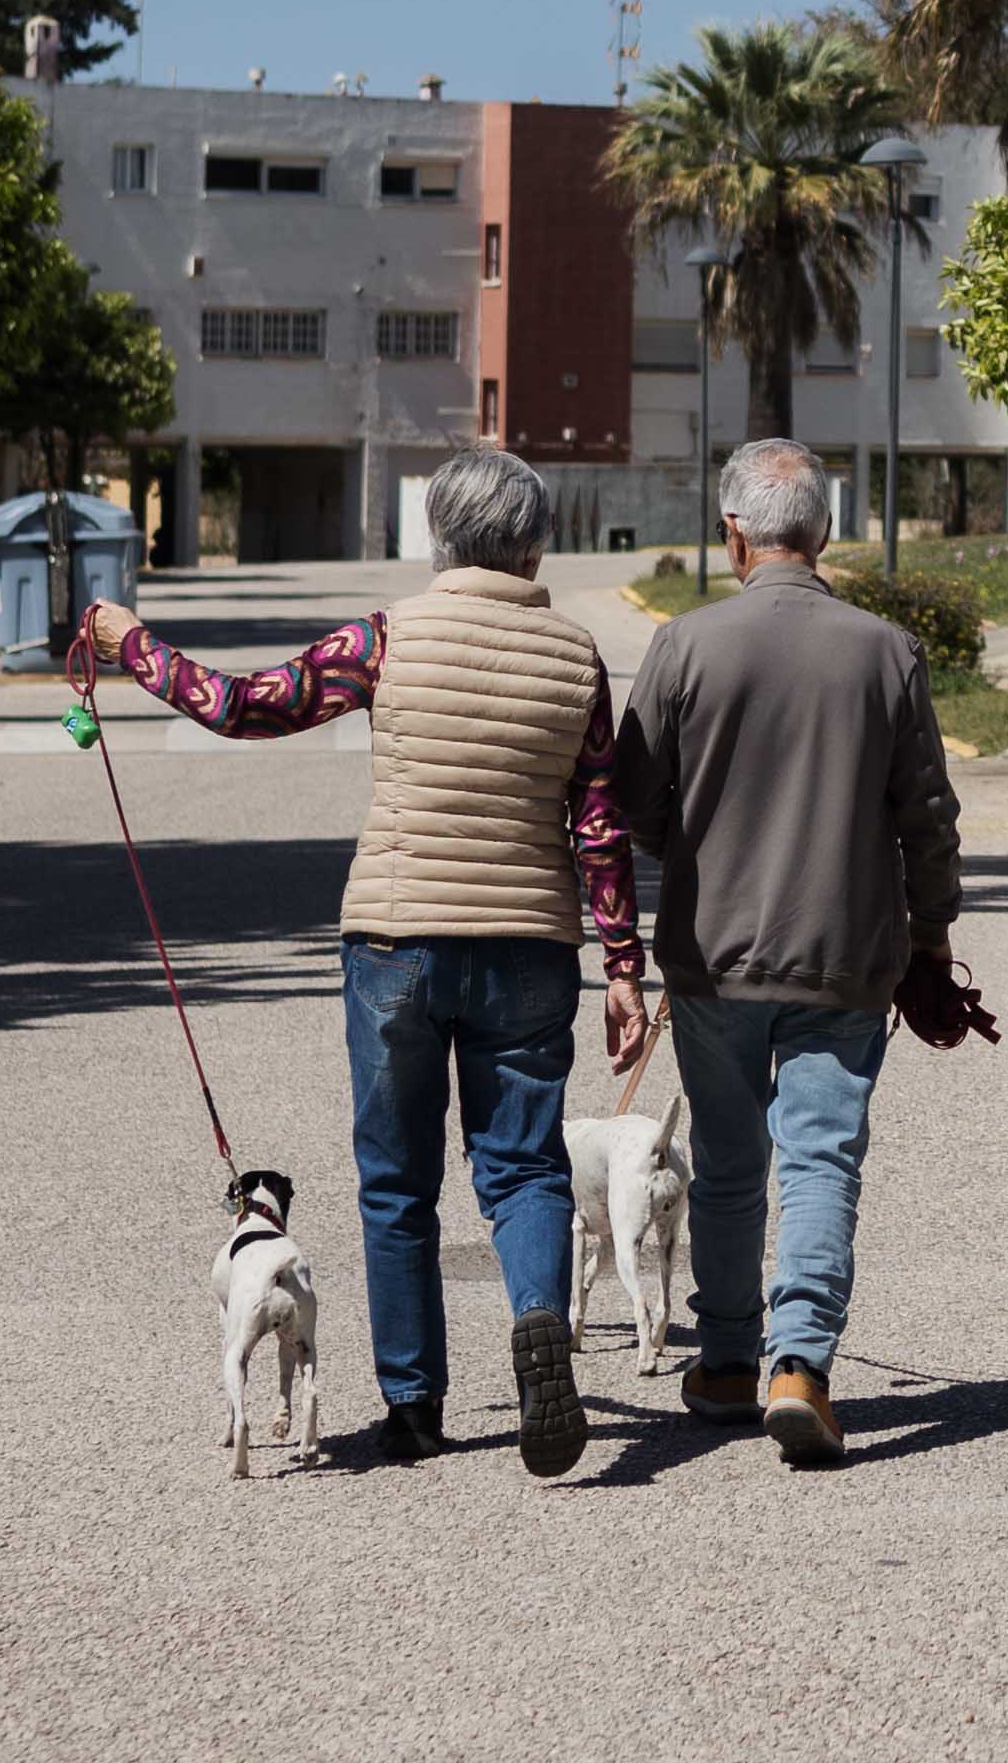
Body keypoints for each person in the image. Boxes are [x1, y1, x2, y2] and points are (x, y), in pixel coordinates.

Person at [80, 443, 647, 1480]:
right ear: (534, 540)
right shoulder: (576, 656)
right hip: (527, 941)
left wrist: (132, 644)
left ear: (438, 534)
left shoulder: (384, 637)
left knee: (396, 1179)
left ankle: (414, 1405)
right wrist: (622, 965)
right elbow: (600, 821)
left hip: (396, 940)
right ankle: (537, 1323)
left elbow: (247, 704)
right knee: (520, 1165)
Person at [615, 435, 965, 1465]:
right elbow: (927, 817)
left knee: (727, 1159)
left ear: (733, 534)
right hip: (847, 954)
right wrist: (932, 933)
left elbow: (636, 806)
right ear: (825, 532)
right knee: (820, 1157)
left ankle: (724, 1358)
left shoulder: (683, 646)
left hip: (711, 954)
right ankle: (798, 1361)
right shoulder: (884, 650)